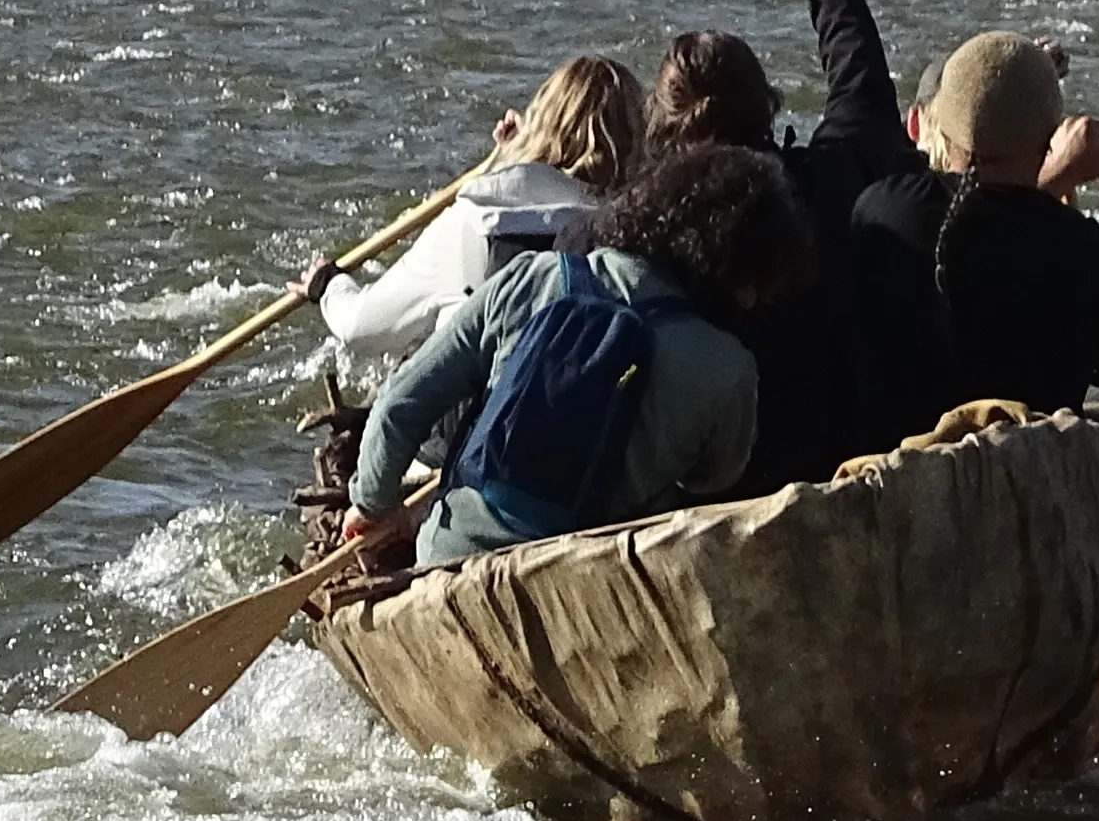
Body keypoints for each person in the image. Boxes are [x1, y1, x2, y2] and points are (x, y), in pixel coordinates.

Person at [343, 138, 811, 565]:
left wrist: (373, 506)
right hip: (591, 584)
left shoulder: (531, 277)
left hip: (453, 559)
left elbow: (399, 407)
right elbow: (710, 486)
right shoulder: (727, 370)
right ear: (743, 272)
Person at [650, 0, 918, 488]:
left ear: (663, 133)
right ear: (766, 107)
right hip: (834, 476)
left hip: (701, 502)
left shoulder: (643, 235)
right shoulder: (825, 183)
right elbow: (863, 88)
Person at [849, 29, 1099, 431]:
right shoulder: (1081, 250)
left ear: (941, 123)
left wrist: (1056, 177)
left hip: (901, 479)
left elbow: (984, 224)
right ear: (1049, 139)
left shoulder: (881, 207)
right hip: (1022, 483)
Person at [311, 56, 646, 380]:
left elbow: (362, 329)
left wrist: (329, 285)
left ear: (541, 124)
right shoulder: (640, 235)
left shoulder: (476, 221)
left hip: (485, 429)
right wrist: (507, 162)